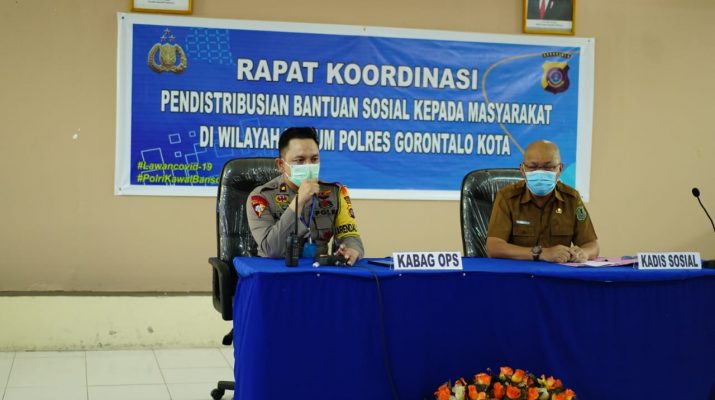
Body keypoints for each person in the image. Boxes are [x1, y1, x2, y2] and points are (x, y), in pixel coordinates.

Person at [246, 127, 364, 265]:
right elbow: (272, 250)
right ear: (281, 165)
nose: (309, 166)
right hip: (276, 271)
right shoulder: (261, 197)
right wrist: (299, 201)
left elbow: (349, 235)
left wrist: (351, 250)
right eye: (300, 160)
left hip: (318, 270)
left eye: (314, 159)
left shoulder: (334, 193)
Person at [485, 140, 598, 263]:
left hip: (557, 272)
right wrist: (540, 253)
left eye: (548, 167)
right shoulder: (507, 197)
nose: (540, 172)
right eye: (533, 167)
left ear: (560, 169)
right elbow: (493, 247)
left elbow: (592, 245)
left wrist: (583, 253)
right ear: (522, 170)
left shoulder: (571, 199)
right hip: (518, 271)